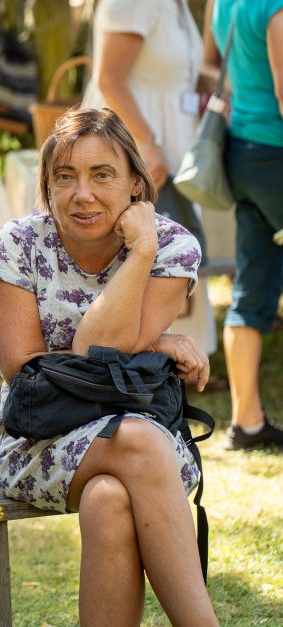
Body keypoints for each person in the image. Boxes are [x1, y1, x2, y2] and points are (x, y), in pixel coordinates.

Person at [0, 108, 218, 625]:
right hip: (40, 440)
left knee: (109, 499)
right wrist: (152, 338)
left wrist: (143, 249)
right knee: (134, 439)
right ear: (46, 186)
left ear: (137, 183)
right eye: (64, 177)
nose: (81, 194)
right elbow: (29, 371)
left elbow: (89, 353)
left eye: (101, 174)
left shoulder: (172, 245)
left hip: (148, 446)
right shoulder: (19, 244)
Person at [81, 0, 218, 356]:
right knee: (136, 254)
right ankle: (127, 354)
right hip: (133, 154)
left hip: (171, 153)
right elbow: (109, 80)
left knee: (174, 248)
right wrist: (148, 146)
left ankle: (181, 356)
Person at [206, 0, 283, 449]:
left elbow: (217, 68)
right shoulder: (273, 9)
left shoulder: (223, 2)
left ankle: (247, 421)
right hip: (275, 155)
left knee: (251, 285)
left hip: (243, 154)